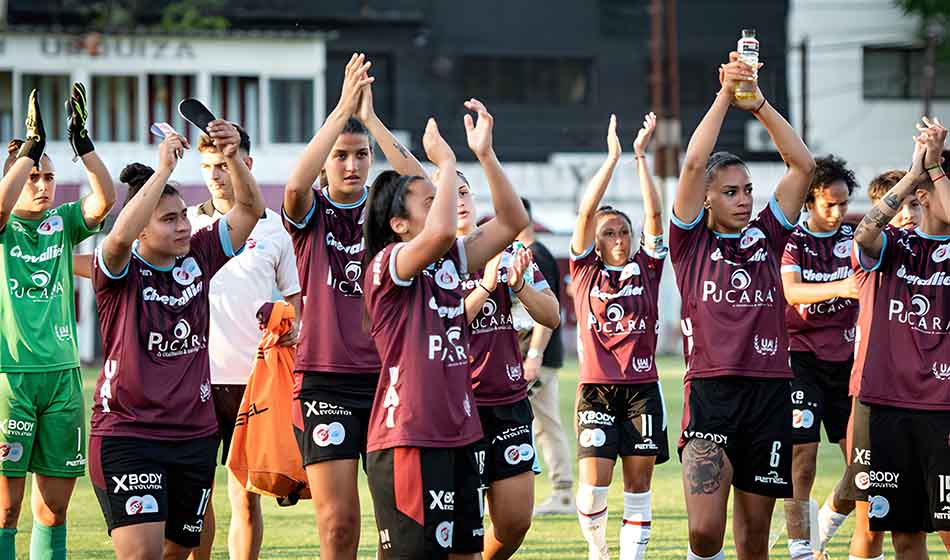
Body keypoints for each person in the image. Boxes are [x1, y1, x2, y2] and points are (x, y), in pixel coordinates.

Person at [361, 101, 528, 559]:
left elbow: (513, 223)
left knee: (467, 555)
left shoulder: (450, 261)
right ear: (398, 225)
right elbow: (436, 237)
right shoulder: (387, 265)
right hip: (409, 438)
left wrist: (485, 155)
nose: (448, 206)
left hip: (460, 433)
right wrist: (448, 164)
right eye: (432, 202)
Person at [88, 123, 263, 560]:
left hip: (193, 437)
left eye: (184, 215)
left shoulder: (200, 254)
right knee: (142, 554)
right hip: (128, 433)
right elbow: (118, 238)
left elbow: (249, 208)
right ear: (142, 231)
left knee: (178, 552)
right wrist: (162, 170)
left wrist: (234, 154)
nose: (185, 225)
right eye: (170, 219)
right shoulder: (118, 269)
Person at [670, 52, 815, 560]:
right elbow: (691, 163)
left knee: (754, 539)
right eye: (730, 192)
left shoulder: (768, 236)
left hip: (770, 390)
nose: (744, 199)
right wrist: (724, 97)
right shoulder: (688, 245)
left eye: (748, 190)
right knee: (705, 533)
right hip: (712, 391)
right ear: (705, 199)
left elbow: (804, 166)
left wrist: (759, 106)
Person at [281, 53, 426, 558]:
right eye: (341, 155)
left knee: (399, 522)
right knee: (339, 526)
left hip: (390, 379)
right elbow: (296, 186)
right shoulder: (312, 212)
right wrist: (341, 110)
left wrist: (371, 120)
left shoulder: (385, 214)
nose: (352, 164)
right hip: (325, 380)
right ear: (325, 160)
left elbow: (422, 189)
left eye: (361, 155)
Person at [0, 85, 115, 560]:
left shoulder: (63, 221)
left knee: (53, 510)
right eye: (33, 177)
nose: (44, 185)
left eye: (48, 176)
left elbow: (104, 200)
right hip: (11, 380)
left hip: (64, 379)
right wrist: (27, 150)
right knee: (5, 512)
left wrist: (81, 145)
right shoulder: (5, 226)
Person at [187, 124, 302, 560]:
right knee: (197, 495)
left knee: (246, 496)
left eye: (223, 165)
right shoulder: (188, 224)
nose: (215, 175)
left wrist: (293, 327)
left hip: (255, 381)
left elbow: (295, 299)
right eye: (207, 167)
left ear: (245, 164)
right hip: (196, 379)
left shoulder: (274, 228)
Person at [570, 112, 669, 560]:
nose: (618, 238)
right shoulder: (585, 270)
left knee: (638, 488)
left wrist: (640, 156)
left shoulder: (647, 269)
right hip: (595, 390)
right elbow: (588, 211)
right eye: (609, 233)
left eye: (623, 232)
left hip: (642, 393)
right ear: (594, 240)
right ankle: (598, 549)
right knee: (593, 489)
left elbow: (653, 213)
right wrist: (611, 160)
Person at [852, 118, 950, 559]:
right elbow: (863, 235)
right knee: (905, 535)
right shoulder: (897, 245)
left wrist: (936, 166)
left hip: (943, 410)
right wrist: (916, 172)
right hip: (889, 408)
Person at [815, 169, 922, 560]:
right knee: (870, 517)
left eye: (917, 202)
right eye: (902, 204)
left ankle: (813, 538)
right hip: (874, 395)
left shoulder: (933, 254)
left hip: (928, 399)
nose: (909, 212)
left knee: (919, 525)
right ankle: (812, 541)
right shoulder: (876, 253)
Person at [455, 172, 560, 558]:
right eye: (450, 194)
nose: (460, 200)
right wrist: (484, 285)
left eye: (464, 192)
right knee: (462, 525)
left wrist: (519, 287)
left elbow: (551, 315)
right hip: (457, 406)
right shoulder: (431, 256)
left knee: (515, 522)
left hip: (508, 400)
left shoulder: (511, 251)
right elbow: (444, 323)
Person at [779, 155, 860, 560]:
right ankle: (799, 549)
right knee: (803, 457)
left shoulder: (855, 240)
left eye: (844, 203)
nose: (838, 212)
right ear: (810, 203)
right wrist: (841, 287)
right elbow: (791, 292)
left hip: (848, 363)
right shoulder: (794, 240)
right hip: (801, 359)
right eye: (829, 204)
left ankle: (821, 532)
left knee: (864, 464)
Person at [519, 197, 574, 517]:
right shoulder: (536, 252)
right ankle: (563, 491)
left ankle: (561, 491)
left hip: (536, 355)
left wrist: (534, 354)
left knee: (526, 420)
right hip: (539, 355)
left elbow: (544, 309)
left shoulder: (533, 254)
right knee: (545, 424)